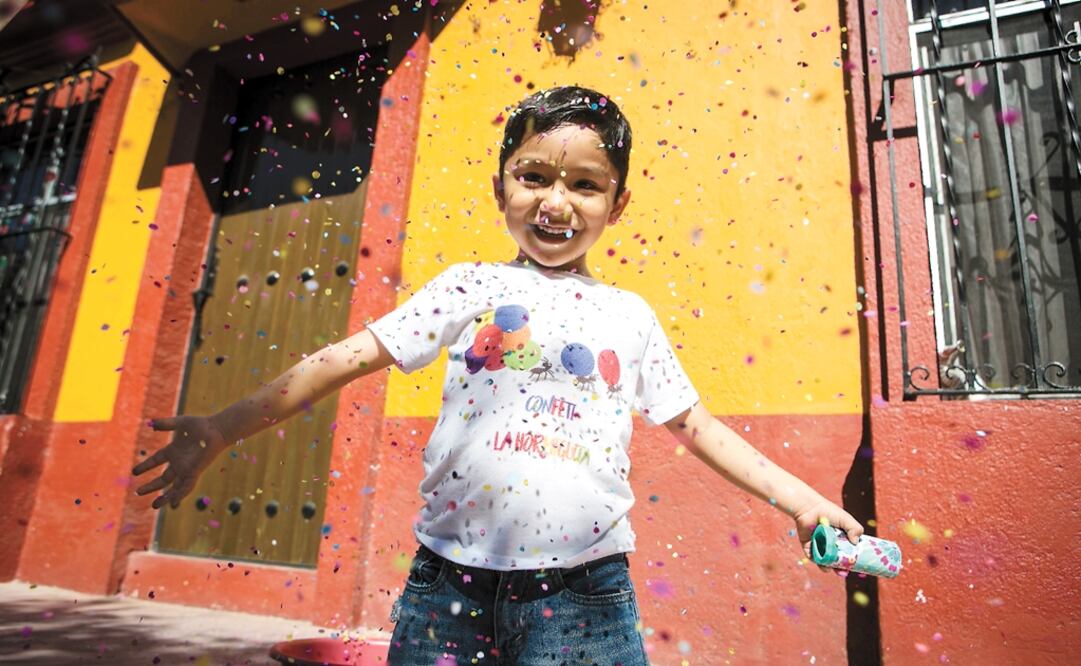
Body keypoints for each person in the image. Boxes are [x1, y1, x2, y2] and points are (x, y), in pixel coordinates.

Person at [133, 85, 864, 665]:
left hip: (584, 593)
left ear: (617, 204)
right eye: (534, 176)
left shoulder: (630, 315)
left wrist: (803, 501)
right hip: (446, 586)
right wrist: (222, 428)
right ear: (500, 186)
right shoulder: (468, 285)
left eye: (584, 184)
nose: (555, 201)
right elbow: (343, 358)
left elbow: (695, 425)